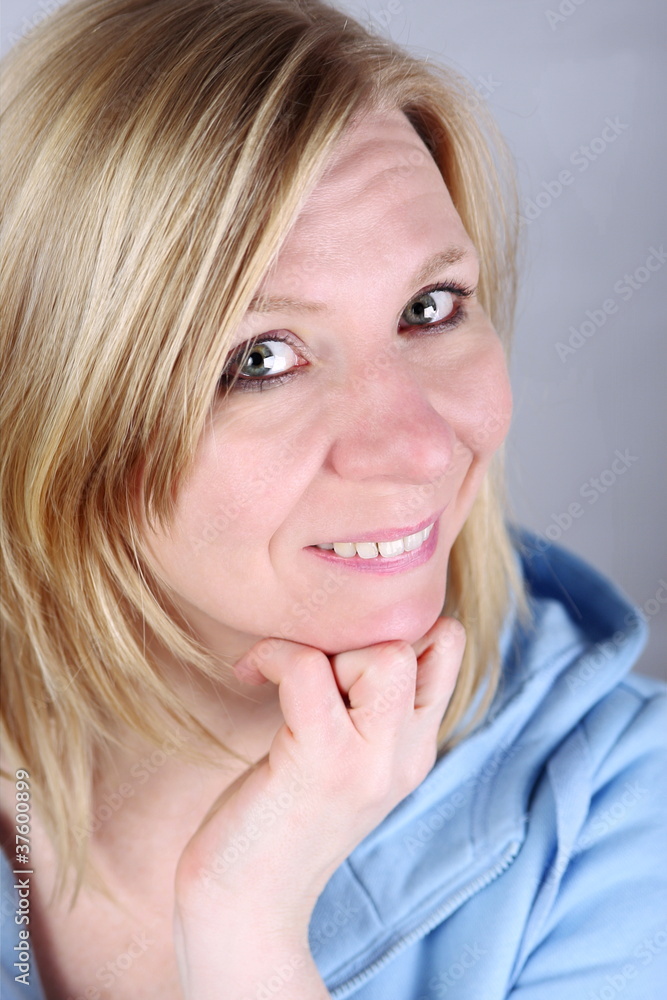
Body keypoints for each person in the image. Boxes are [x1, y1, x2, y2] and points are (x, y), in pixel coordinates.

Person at [1, 0, 665, 997]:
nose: (421, 446)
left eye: (429, 308)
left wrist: (246, 921)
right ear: (55, 415)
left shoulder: (620, 815)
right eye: (261, 359)